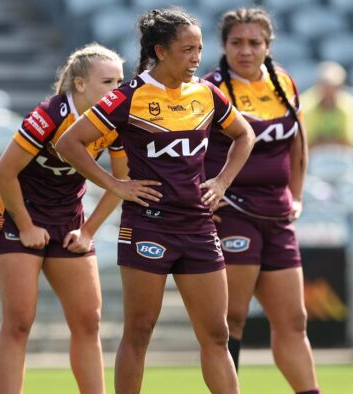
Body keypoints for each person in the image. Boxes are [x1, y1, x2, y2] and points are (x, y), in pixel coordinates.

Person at [56, 8, 254, 394]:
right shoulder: (127, 96)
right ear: (161, 51)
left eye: (199, 48)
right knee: (140, 331)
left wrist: (222, 182)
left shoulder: (206, 94)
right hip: (148, 224)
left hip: (198, 226)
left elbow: (244, 135)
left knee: (217, 334)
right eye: (187, 49)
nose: (197, 58)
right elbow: (69, 144)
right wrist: (116, 184)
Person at [0, 43, 126, 394]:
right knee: (19, 322)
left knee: (88, 322)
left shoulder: (115, 123)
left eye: (121, 81)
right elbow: (4, 173)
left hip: (68, 221)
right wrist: (26, 225)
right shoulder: (49, 115)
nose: (118, 90)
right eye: (108, 82)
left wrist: (89, 230)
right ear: (79, 85)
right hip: (18, 218)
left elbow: (121, 183)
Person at [202, 7, 320, 394]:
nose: (246, 50)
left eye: (255, 43)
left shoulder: (283, 82)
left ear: (268, 46)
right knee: (232, 319)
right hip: (233, 213)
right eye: (237, 42)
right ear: (224, 46)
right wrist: (207, 194)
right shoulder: (209, 88)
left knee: (294, 320)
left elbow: (298, 148)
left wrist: (297, 196)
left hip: (277, 216)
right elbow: (188, 152)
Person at [300, 61, 353, 149]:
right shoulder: (305, 105)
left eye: (334, 87)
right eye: (326, 86)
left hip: (340, 155)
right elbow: (304, 143)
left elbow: (350, 142)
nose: (329, 92)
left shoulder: (348, 105)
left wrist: (324, 142)